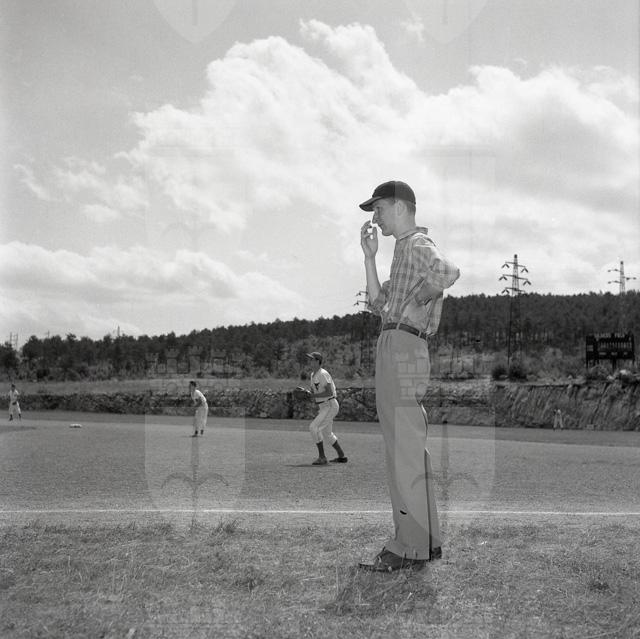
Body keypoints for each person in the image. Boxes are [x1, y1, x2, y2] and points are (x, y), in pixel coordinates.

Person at [358, 180, 460, 572]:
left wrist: (419, 300)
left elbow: (448, 270)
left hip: (403, 345)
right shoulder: (401, 250)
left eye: (379, 208)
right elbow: (377, 304)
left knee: (402, 449)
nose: (375, 217)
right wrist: (369, 258)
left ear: (400, 207)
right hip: (397, 341)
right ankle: (424, 542)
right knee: (406, 447)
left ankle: (409, 547)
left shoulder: (416, 244)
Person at [304, 352, 348, 465]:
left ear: (318, 361)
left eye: (312, 359)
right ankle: (342, 456)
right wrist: (308, 394)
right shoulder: (312, 375)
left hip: (330, 405)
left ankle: (322, 457)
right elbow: (315, 391)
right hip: (324, 406)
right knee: (327, 434)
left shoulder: (323, 374)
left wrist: (313, 395)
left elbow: (329, 392)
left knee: (314, 428)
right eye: (310, 359)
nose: (310, 361)